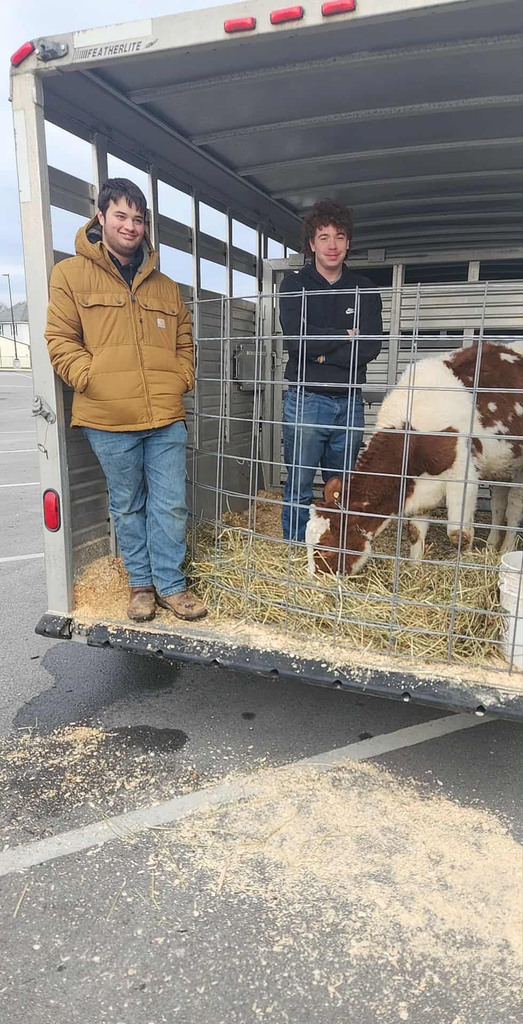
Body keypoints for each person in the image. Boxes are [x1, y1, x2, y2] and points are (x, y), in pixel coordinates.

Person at [45, 177, 207, 624]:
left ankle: (172, 585)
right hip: (107, 417)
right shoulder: (70, 275)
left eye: (138, 218)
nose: (130, 226)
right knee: (128, 505)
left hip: (164, 414)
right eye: (120, 215)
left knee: (170, 503)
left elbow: (184, 338)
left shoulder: (166, 286)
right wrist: (90, 378)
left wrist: (181, 377)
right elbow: (60, 338)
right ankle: (141, 586)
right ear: (101, 217)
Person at [279, 199, 383, 540]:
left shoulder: (365, 289)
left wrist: (320, 354)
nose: (332, 245)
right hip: (306, 400)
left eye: (339, 236)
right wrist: (344, 336)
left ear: (348, 242)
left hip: (349, 402)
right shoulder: (295, 285)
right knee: (299, 485)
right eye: (323, 237)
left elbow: (370, 347)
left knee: (342, 488)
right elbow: (297, 340)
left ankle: (335, 550)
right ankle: (295, 551)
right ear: (312, 244)